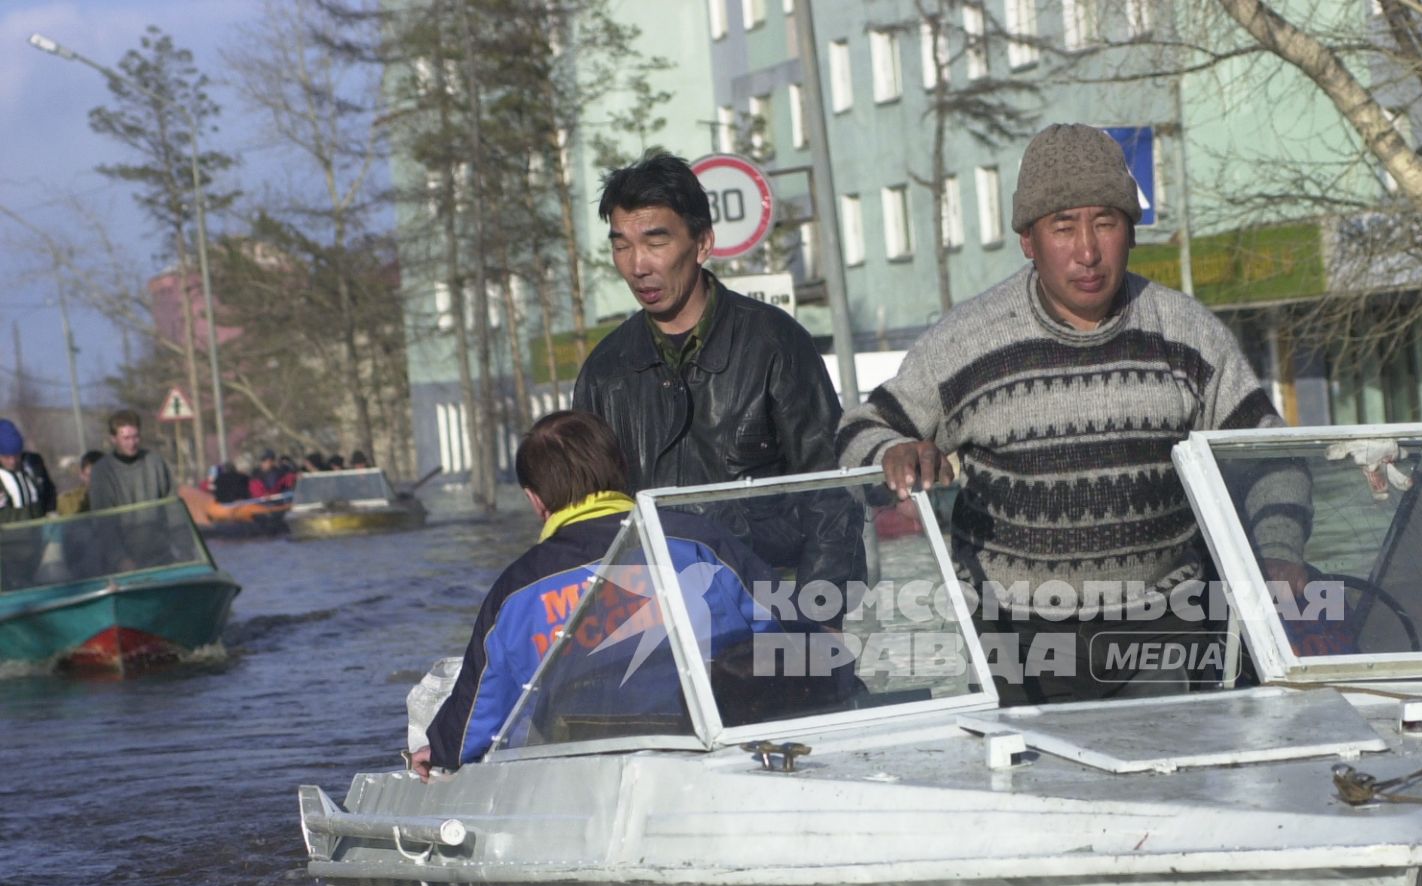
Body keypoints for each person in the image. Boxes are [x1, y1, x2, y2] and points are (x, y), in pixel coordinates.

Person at [835, 123, 1310, 703]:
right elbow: (858, 432)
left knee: (1170, 786)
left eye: (1105, 223)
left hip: (1165, 630)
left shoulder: (1185, 335)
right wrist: (896, 453)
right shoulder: (968, 342)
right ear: (1028, 241)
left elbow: (1269, 456)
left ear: (1131, 232)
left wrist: (1279, 553)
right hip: (1017, 639)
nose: (1087, 251)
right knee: (1037, 791)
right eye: (1063, 227)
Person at [416, 409, 781, 777]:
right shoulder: (701, 540)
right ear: (623, 467)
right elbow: (782, 629)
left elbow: (477, 718)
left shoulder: (516, 591)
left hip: (586, 774)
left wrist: (440, 749)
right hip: (722, 747)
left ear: (535, 500)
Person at [571, 148, 861, 593]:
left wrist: (819, 614)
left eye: (655, 242)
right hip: (654, 611)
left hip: (764, 602)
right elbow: (589, 515)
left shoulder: (773, 344)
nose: (637, 266)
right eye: (621, 246)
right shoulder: (605, 372)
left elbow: (830, 489)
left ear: (702, 244)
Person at [86, 410, 176, 510]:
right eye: (126, 438)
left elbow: (171, 503)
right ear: (113, 439)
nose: (132, 443)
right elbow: (103, 515)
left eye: (135, 437)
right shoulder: (102, 471)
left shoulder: (155, 463)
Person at [0, 418, 58, 522]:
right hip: (9, 536)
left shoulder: (33, 463)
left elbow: (49, 491)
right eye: (6, 457)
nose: (12, 461)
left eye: (16, 455)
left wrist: (51, 511)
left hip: (38, 531)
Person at [56, 450, 102, 516]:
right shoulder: (67, 502)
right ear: (81, 474)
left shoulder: (118, 496)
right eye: (90, 476)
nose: (95, 481)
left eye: (100, 476)